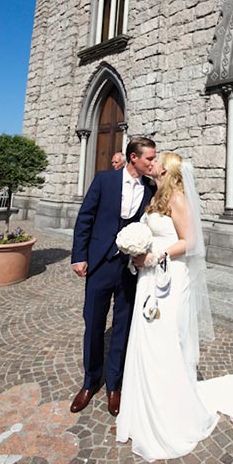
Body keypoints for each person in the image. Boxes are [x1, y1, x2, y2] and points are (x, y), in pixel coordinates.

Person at [116, 152, 233, 461]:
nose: (151, 165)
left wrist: (154, 256)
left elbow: (190, 241)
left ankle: (170, 412)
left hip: (171, 277)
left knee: (164, 341)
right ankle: (145, 406)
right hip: (149, 277)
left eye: (156, 162)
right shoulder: (156, 197)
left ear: (167, 170)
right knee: (147, 341)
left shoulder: (178, 198)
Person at [70, 136, 156, 416]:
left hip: (129, 269)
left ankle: (114, 386)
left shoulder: (150, 190)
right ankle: (90, 382)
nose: (152, 163)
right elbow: (85, 218)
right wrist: (79, 256)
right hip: (99, 264)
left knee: (123, 327)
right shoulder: (104, 180)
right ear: (134, 158)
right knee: (93, 324)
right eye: (149, 159)